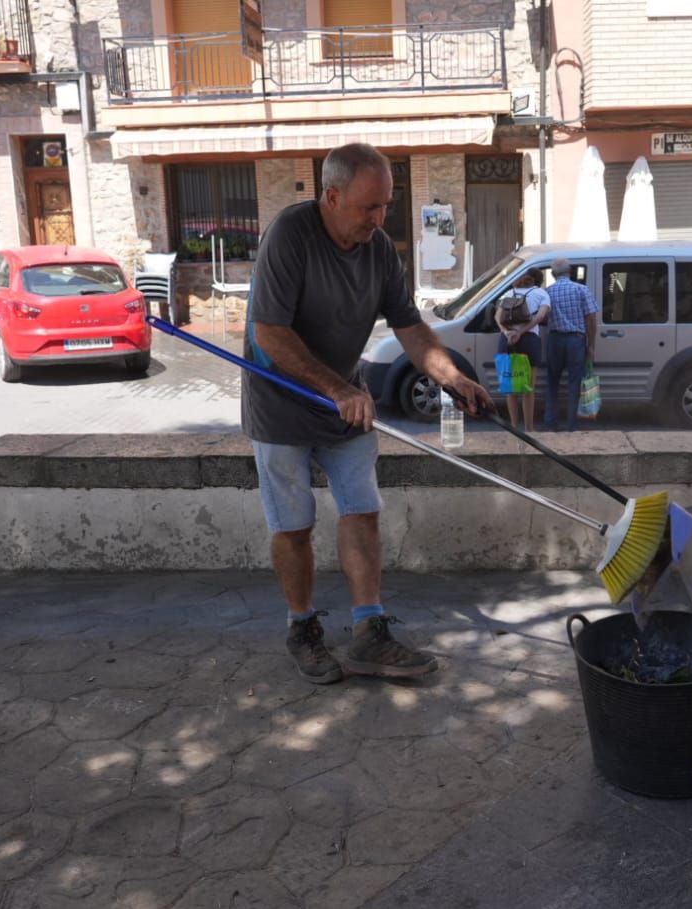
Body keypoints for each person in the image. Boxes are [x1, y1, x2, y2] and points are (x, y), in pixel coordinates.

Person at [244, 143, 494, 685]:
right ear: (331, 197)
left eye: (385, 206)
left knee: (362, 509)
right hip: (280, 403)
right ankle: (302, 627)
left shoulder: (379, 250)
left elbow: (409, 327)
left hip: (344, 400)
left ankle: (368, 632)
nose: (379, 220)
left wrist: (451, 377)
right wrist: (335, 387)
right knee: (293, 525)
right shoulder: (291, 236)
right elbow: (270, 332)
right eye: (367, 208)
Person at [542, 256, 600, 430]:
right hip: (576, 340)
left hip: (555, 340)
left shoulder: (548, 292)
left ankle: (551, 421)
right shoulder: (582, 290)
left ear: (552, 274)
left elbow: (543, 317)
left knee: (552, 381)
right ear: (571, 272)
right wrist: (591, 345)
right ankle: (571, 424)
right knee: (574, 382)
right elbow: (591, 318)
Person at [494, 268, 550, 432]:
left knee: (510, 387)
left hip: (507, 340)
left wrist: (507, 332)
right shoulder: (541, 293)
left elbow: (497, 316)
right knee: (528, 389)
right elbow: (540, 317)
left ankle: (513, 427)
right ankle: (529, 429)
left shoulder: (509, 293)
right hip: (529, 340)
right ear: (536, 281)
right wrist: (521, 332)